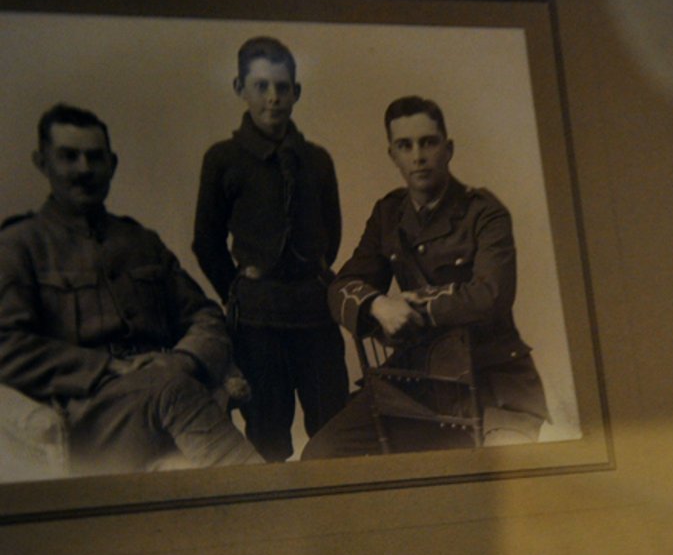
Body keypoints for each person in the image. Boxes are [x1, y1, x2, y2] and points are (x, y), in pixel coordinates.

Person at [0, 104, 262, 475]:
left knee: (183, 421)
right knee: (174, 392)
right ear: (42, 162)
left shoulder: (140, 242)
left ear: (113, 164)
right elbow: (6, 346)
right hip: (90, 417)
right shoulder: (19, 245)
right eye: (68, 157)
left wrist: (183, 359)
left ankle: (261, 504)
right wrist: (109, 368)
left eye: (95, 157)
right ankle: (276, 503)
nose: (84, 170)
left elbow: (204, 314)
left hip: (165, 396)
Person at [303, 96, 548, 459]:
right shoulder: (389, 214)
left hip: (493, 382)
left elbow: (491, 295)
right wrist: (377, 304)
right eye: (405, 145)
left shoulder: (484, 212)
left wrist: (414, 306)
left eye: (428, 142)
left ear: (447, 149)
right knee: (321, 456)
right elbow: (341, 286)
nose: (417, 156)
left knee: (500, 481)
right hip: (417, 384)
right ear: (393, 155)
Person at [193, 36, 349, 462]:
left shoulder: (317, 160)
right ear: (240, 88)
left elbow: (330, 234)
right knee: (267, 431)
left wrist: (306, 272)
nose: (273, 98)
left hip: (314, 313)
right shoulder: (223, 159)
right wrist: (240, 288)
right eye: (261, 86)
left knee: (334, 428)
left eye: (283, 87)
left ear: (296, 91)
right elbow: (205, 241)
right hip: (258, 321)